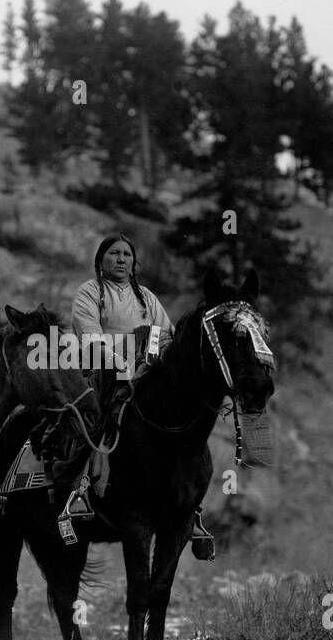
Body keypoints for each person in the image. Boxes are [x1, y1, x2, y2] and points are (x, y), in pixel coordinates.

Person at [55, 234, 214, 559]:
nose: (121, 259)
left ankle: (190, 508)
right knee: (99, 419)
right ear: (101, 260)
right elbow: (90, 337)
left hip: (145, 374)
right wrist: (121, 362)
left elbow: (168, 337)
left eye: (127, 254)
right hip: (101, 372)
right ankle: (80, 490)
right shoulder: (90, 293)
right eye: (114, 253)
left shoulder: (146, 298)